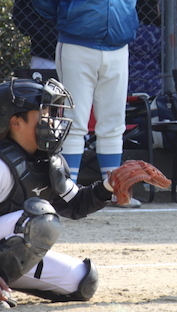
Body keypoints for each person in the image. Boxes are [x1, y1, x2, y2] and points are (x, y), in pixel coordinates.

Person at [31, 0, 144, 202]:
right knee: (74, 121)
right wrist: (72, 19)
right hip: (77, 47)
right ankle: (71, 194)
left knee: (113, 122)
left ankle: (116, 192)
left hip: (118, 48)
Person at [0, 77, 126, 304]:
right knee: (40, 218)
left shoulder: (48, 162)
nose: (51, 122)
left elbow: (76, 204)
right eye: (44, 115)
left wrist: (110, 185)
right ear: (15, 122)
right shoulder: (2, 165)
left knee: (82, 281)